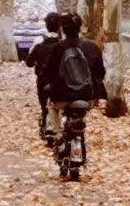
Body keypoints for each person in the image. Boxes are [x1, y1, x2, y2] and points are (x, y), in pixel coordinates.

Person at [45, 12, 105, 142]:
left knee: (52, 107)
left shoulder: (57, 48)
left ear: (63, 29)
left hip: (62, 97)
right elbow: (101, 72)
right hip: (88, 96)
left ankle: (58, 135)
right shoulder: (92, 46)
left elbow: (48, 72)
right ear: (80, 27)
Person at [23, 11, 61, 141]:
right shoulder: (63, 46)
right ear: (59, 26)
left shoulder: (39, 45)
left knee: (44, 105)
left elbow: (28, 62)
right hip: (59, 81)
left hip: (43, 80)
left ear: (46, 26)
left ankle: (46, 124)